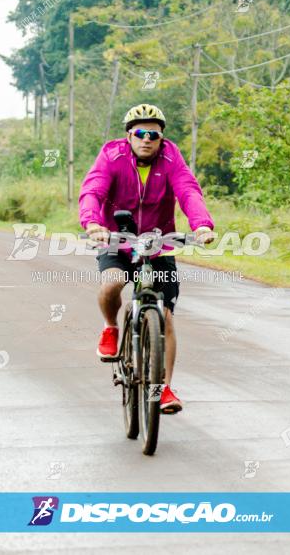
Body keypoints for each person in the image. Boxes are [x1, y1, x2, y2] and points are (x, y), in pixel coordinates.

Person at [79, 104, 215, 414]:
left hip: (159, 242)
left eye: (154, 134)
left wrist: (202, 224)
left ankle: (164, 388)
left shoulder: (171, 157)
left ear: (161, 137)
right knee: (112, 285)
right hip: (115, 238)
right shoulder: (112, 156)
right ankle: (111, 327)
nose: (147, 139)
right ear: (129, 135)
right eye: (140, 133)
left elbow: (188, 190)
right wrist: (92, 223)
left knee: (165, 317)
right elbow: (93, 189)